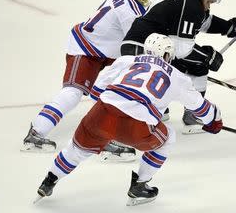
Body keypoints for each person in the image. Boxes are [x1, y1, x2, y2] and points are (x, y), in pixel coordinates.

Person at [34, 33, 223, 206]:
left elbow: (97, 90)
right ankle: (140, 186)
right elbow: (201, 108)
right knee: (168, 138)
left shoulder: (126, 60)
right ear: (167, 55)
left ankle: (49, 180)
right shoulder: (177, 76)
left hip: (101, 112)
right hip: (137, 126)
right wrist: (214, 121)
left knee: (76, 150)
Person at [22, 0, 152, 160]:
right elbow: (137, 41)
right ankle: (36, 133)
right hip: (86, 49)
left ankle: (110, 132)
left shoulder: (130, 1)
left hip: (105, 51)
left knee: (121, 88)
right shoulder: (127, 11)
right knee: (73, 93)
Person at [120, 0, 236, 133]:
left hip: (146, 45)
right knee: (198, 63)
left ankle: (191, 114)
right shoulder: (190, 6)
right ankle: (146, 114)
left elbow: (203, 22)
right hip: (138, 48)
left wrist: (232, 27)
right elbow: (181, 50)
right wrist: (208, 56)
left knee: (197, 66)